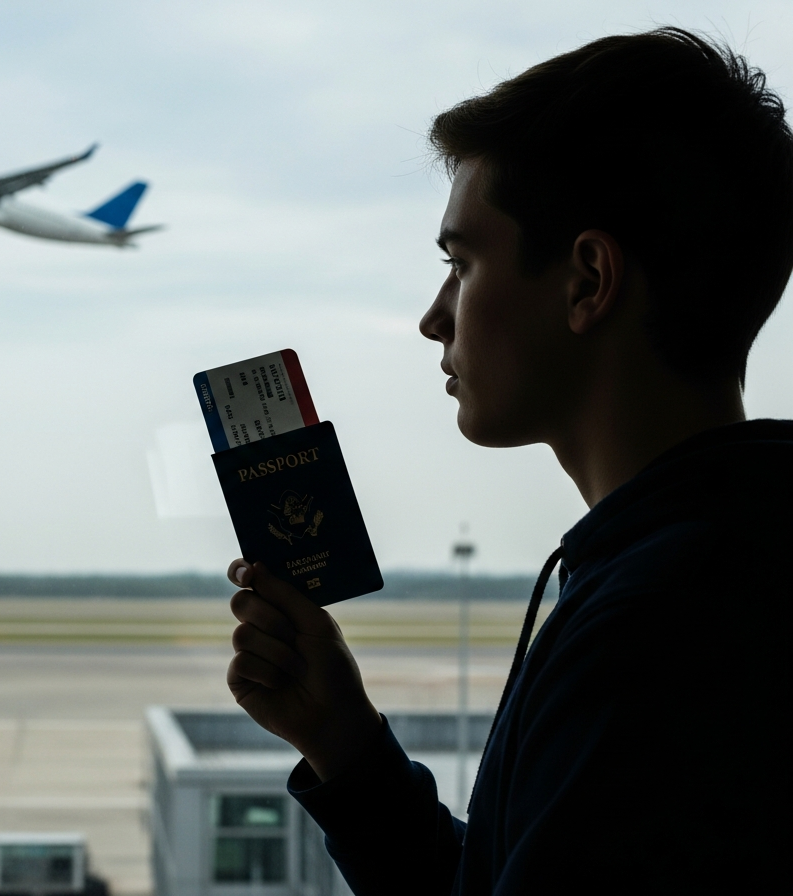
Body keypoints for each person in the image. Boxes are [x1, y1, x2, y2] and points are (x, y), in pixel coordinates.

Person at [224, 28, 792, 894]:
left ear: (587, 282)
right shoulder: (726, 567)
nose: (433, 316)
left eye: (461, 262)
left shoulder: (651, 637)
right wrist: (347, 746)